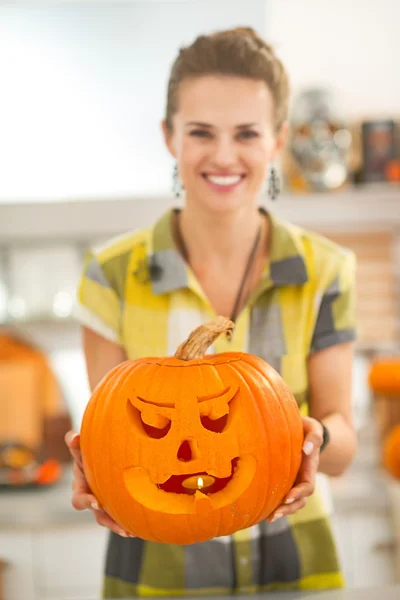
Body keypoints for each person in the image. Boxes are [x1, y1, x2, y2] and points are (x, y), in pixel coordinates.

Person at [66, 26, 358, 598]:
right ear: (169, 137)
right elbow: (115, 436)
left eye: (246, 133)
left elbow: (342, 444)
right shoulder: (111, 273)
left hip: (293, 564)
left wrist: (314, 439)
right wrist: (94, 471)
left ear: (276, 140)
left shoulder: (326, 270)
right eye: (201, 132)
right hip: (158, 572)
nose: (224, 156)